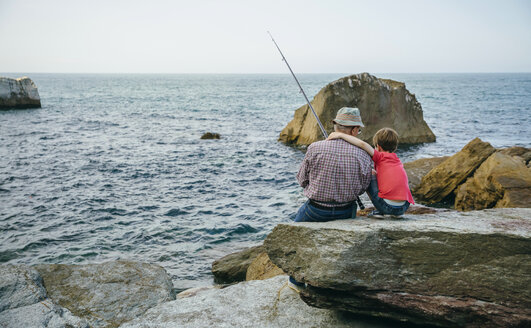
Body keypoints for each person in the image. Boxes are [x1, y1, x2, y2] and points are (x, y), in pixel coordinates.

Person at [289, 107, 372, 290]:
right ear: (353, 130)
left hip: (315, 210)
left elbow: (302, 180)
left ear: (336, 126)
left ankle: (296, 282)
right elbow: (364, 186)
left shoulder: (315, 147)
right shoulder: (364, 154)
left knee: (294, 240)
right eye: (358, 129)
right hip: (345, 210)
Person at [328, 127, 414, 217]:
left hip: (387, 207)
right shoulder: (397, 160)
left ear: (379, 147)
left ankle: (380, 210)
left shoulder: (380, 156)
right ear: (395, 147)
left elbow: (362, 144)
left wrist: (340, 135)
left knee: (370, 172)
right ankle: (384, 208)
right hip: (404, 207)